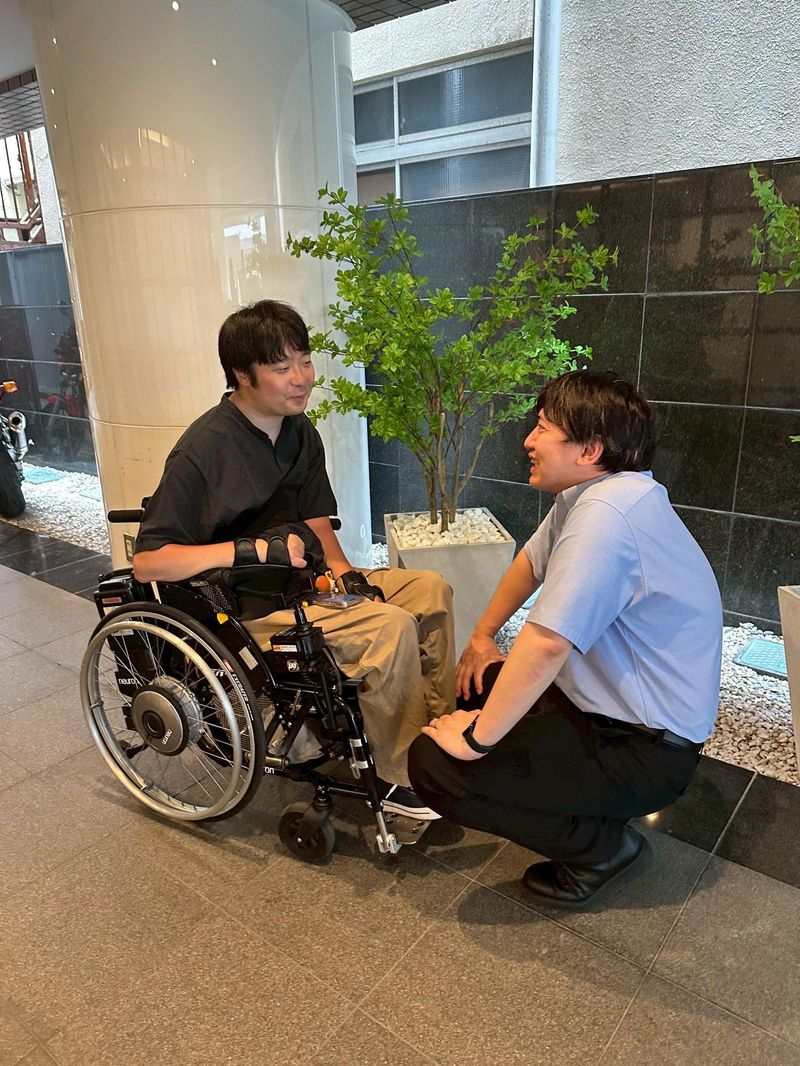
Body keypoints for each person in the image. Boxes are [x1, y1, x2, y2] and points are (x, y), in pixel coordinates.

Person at [132, 299, 455, 823]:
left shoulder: (299, 430)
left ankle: (439, 737)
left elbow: (317, 519)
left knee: (429, 590)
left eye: (304, 361)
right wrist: (245, 551)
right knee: (389, 627)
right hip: (247, 612)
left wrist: (347, 576)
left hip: (304, 584)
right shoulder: (202, 451)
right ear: (243, 374)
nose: (301, 378)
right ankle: (400, 775)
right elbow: (148, 562)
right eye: (282, 368)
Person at [408, 369, 722, 906]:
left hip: (643, 750)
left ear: (590, 449)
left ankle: (602, 849)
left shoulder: (606, 516)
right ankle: (583, 807)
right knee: (480, 682)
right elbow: (530, 564)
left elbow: (548, 642)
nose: (528, 441)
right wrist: (482, 637)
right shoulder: (597, 493)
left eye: (543, 429)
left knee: (434, 766)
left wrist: (477, 738)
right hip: (613, 717)